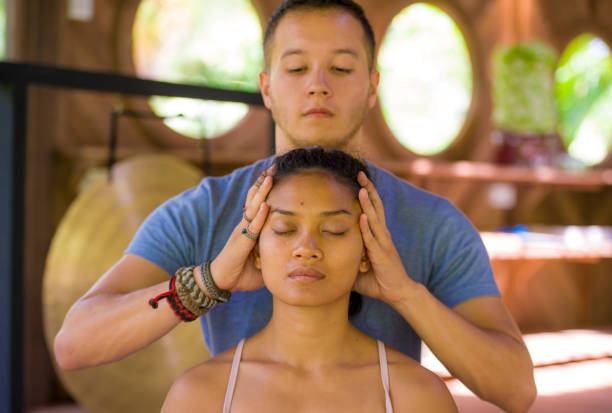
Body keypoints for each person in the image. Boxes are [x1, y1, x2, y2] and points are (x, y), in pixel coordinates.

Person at [53, 1, 536, 411]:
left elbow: (515, 389)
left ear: (372, 87)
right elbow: (76, 342)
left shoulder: (431, 223)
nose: (318, 85)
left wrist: (404, 292)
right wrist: (211, 280)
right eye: (297, 67)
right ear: (266, 86)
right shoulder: (203, 211)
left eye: (342, 69)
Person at [161, 147, 458, 413]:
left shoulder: (417, 396)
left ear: (367, 253)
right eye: (284, 229)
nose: (306, 248)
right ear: (256, 252)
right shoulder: (199, 395)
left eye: (334, 230)